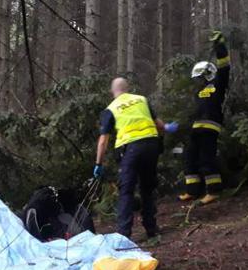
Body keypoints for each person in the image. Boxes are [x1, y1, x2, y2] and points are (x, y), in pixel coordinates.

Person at [93, 78, 166, 239]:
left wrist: (98, 163)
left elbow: (103, 140)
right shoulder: (141, 100)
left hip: (131, 149)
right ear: (127, 88)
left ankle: (124, 234)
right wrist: (166, 130)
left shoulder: (111, 108)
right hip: (151, 145)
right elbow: (159, 125)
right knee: (147, 188)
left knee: (126, 190)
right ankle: (152, 229)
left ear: (113, 92)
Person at [165, 30, 231, 205]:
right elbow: (193, 112)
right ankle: (192, 191)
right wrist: (180, 125)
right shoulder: (198, 92)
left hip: (210, 126)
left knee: (206, 158)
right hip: (196, 128)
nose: (198, 81)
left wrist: (220, 46)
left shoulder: (218, 84)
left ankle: (214, 191)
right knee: (189, 156)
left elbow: (224, 67)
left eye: (200, 77)